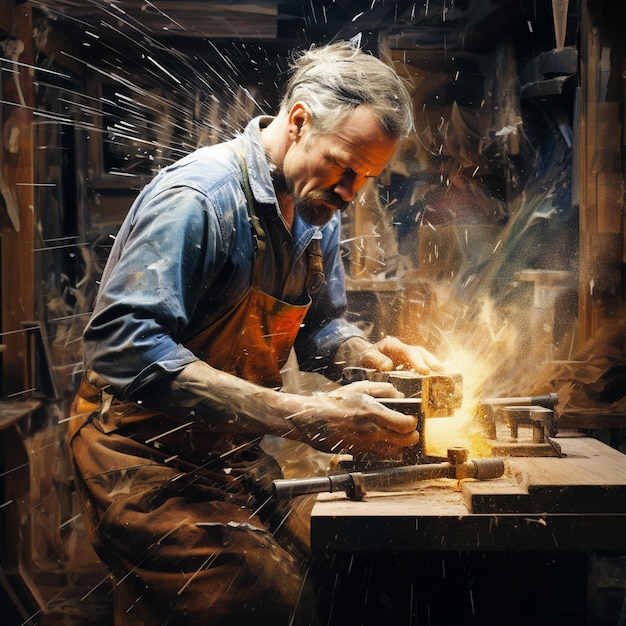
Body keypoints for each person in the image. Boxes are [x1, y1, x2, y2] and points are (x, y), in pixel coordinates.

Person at [69, 40, 442, 626]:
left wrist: (364, 355)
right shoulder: (198, 199)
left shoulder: (317, 212)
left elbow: (320, 325)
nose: (352, 192)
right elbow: (122, 345)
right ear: (298, 121)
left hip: (230, 453)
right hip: (141, 458)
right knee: (276, 608)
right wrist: (300, 414)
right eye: (347, 166)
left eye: (368, 177)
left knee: (340, 573)